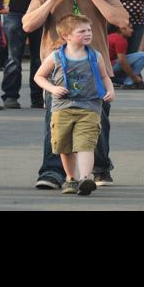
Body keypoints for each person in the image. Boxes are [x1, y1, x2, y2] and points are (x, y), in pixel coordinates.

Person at [22, 0, 130, 189]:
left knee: (97, 121)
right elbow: (28, 25)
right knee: (56, 122)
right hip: (57, 69)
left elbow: (121, 20)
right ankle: (52, 172)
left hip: (94, 65)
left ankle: (100, 169)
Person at [33, 15, 116, 195]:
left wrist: (110, 90)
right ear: (66, 36)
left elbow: (104, 76)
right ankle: (71, 178)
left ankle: (85, 178)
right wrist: (52, 89)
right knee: (64, 145)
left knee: (86, 143)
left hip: (90, 107)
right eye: (82, 31)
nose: (88, 34)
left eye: (89, 30)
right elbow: (38, 76)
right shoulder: (55, 57)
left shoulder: (95, 56)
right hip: (62, 108)